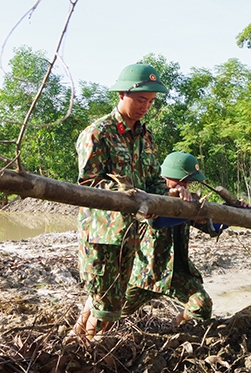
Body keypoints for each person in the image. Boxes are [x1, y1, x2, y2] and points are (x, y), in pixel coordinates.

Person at [73, 64, 192, 338]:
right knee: (106, 304)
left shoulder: (145, 137)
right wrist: (127, 194)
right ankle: (89, 353)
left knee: (111, 301)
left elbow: (153, 182)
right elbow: (88, 185)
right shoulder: (98, 133)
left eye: (150, 102)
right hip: (103, 234)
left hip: (131, 235)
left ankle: (77, 342)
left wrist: (171, 194)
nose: (145, 107)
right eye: (141, 100)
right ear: (122, 95)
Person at [123, 151, 229, 326]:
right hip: (145, 273)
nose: (186, 185)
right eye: (181, 180)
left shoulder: (186, 201)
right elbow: (157, 223)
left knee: (201, 306)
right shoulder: (151, 195)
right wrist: (188, 211)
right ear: (167, 176)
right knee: (112, 311)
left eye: (188, 181)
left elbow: (212, 228)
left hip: (175, 272)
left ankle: (174, 328)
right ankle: (81, 334)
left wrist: (232, 212)